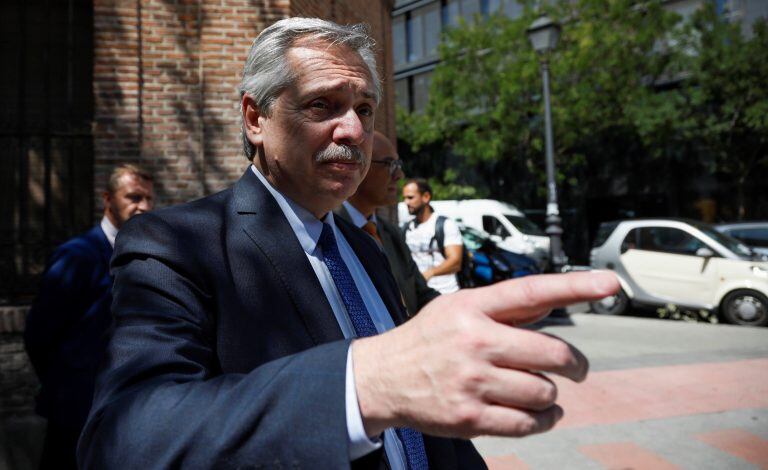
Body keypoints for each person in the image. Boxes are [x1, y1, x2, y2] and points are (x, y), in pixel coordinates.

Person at [77, 18, 619, 469]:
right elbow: (127, 440)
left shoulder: (363, 250)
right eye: (322, 106)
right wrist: (365, 384)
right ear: (255, 117)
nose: (354, 132)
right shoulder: (175, 243)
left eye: (363, 109)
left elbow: (423, 427)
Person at [24, 164, 154, 469]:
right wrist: (68, 381)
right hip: (75, 411)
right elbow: (39, 334)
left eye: (149, 198)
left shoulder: (145, 255)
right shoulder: (77, 256)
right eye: (134, 197)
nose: (144, 207)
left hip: (125, 411)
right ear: (108, 199)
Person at [336, 131, 440, 316]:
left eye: (398, 165)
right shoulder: (329, 231)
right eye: (389, 164)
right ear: (357, 167)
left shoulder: (391, 234)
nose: (399, 175)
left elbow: (421, 294)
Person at [401, 178, 464, 294]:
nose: (406, 202)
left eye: (410, 197)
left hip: (445, 293)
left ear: (426, 197)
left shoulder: (444, 224)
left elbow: (455, 262)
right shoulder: (406, 228)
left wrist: (429, 273)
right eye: (404, 198)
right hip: (418, 295)